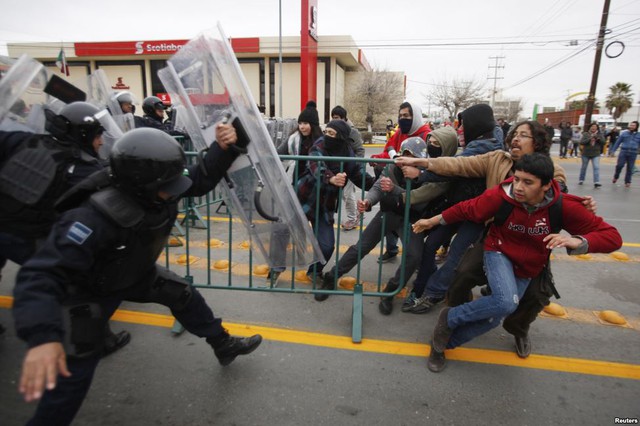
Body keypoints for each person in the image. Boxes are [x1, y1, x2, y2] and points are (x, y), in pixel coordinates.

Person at [13, 126, 263, 425]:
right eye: (167, 184)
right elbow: (40, 274)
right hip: (89, 294)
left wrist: (222, 149)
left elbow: (198, 178)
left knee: (182, 294)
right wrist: (43, 337)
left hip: (132, 270)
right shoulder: (91, 217)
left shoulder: (157, 190)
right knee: (72, 376)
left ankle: (223, 344)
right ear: (140, 184)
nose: (174, 191)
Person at [395, 121, 594, 356]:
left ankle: (518, 328)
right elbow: (459, 165)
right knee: (463, 273)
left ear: (538, 143)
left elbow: (560, 196)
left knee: (536, 296)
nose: (516, 139)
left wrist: (582, 207)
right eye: (514, 134)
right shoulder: (497, 159)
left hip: (532, 244)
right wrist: (420, 162)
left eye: (524, 136)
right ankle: (454, 320)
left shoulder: (550, 169)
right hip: (496, 238)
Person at [412, 153, 622, 372]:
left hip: (529, 265)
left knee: (493, 318)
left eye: (528, 182)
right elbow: (467, 208)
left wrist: (577, 240)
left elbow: (612, 237)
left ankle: (443, 343)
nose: (519, 187)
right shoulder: (501, 196)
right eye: (517, 179)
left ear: (546, 186)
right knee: (505, 303)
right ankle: (450, 317)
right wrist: (431, 221)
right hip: (498, 251)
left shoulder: (562, 206)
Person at [0, 101, 130, 353]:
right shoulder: (84, 169)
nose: (101, 142)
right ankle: (95, 340)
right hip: (31, 238)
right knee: (81, 287)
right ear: (83, 135)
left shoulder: (23, 141)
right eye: (98, 135)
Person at [317, 129, 457, 310]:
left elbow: (417, 198)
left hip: (412, 219)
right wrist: (368, 201)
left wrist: (395, 189)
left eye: (412, 158)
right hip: (389, 213)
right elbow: (378, 186)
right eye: (404, 157)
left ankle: (391, 291)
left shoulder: (429, 175)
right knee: (361, 247)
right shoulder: (392, 167)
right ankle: (331, 277)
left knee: (414, 255)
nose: (406, 162)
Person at [296, 119, 375, 293]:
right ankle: (275, 269)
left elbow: (357, 173)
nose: (327, 136)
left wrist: (377, 184)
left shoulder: (347, 152)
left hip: (325, 205)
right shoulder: (319, 145)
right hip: (304, 199)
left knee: (327, 245)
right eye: (327, 132)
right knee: (287, 232)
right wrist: (330, 178)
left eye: (332, 134)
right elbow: (316, 164)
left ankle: (314, 272)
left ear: (342, 138)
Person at [267, 100, 323, 283]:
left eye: (306, 123)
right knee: (281, 228)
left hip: (315, 193)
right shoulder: (292, 139)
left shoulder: (321, 143)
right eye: (300, 123)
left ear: (313, 125)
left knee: (318, 235)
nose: (302, 126)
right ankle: (276, 267)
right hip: (293, 190)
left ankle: (314, 270)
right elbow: (278, 154)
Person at [370, 101, 431, 263]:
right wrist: (377, 159)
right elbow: (389, 151)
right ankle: (391, 249)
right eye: (400, 116)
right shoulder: (400, 133)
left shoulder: (426, 135)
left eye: (406, 116)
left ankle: (418, 264)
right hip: (394, 185)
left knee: (412, 235)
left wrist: (419, 173)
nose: (402, 119)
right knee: (388, 213)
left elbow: (433, 163)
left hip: (415, 194)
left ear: (415, 116)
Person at [330, 105, 365, 232]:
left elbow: (360, 150)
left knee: (347, 194)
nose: (335, 121)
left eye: (338, 118)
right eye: (333, 118)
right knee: (342, 195)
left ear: (345, 119)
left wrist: (354, 166)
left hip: (350, 168)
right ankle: (355, 215)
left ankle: (352, 218)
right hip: (336, 168)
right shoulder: (332, 130)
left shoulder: (352, 132)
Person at [610, 121, 639, 188]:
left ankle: (628, 181)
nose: (631, 127)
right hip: (624, 151)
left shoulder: (638, 135)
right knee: (620, 165)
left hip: (633, 152)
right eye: (631, 125)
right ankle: (616, 176)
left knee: (630, 168)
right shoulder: (624, 134)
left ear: (636, 127)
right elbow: (618, 142)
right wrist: (613, 151)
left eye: (633, 125)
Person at [579, 123, 605, 188]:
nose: (593, 128)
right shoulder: (586, 134)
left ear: (597, 128)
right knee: (584, 167)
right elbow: (582, 142)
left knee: (596, 167)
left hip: (596, 153)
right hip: (586, 153)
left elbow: (603, 142)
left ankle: (596, 182)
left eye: (595, 127)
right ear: (590, 127)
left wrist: (598, 138)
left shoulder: (599, 134)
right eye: (592, 126)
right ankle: (581, 179)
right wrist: (589, 139)